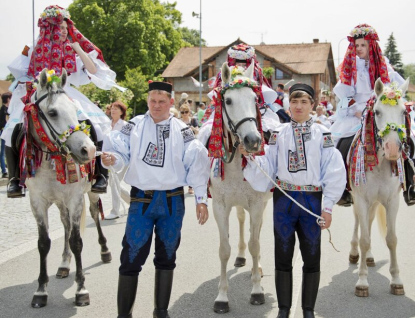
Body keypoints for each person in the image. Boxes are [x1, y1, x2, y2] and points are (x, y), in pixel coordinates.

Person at [102, 81, 210, 318]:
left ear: (171, 102)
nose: (157, 105)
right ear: (147, 100)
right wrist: (112, 160)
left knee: (167, 257)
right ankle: (124, 315)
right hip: (141, 200)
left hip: (173, 202)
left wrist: (201, 199)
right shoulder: (134, 126)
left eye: (162, 101)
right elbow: (120, 153)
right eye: (153, 100)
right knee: (130, 257)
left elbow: (197, 165)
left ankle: (161, 312)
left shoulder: (182, 130)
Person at [240, 83, 346, 318]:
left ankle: (308, 309)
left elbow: (334, 171)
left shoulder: (323, 134)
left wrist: (327, 207)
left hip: (311, 201)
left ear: (312, 106)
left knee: (311, 255)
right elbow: (268, 165)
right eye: (294, 101)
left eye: (304, 102)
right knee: (283, 254)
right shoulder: (278, 134)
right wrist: (251, 158)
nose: (298, 106)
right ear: (288, 105)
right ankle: (284, 309)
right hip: (284, 201)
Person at [2, 5, 124, 198]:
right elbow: (20, 72)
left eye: (67, 29)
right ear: (49, 28)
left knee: (98, 128)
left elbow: (92, 70)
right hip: (39, 93)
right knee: (11, 132)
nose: (66, 32)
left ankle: (100, 176)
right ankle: (15, 180)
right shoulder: (33, 49)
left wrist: (77, 47)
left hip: (65, 92)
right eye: (62, 28)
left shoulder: (70, 50)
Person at [331, 23, 405, 206]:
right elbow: (344, 96)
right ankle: (343, 189)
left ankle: (410, 184)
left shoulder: (384, 65)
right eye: (356, 46)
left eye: (363, 45)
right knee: (338, 143)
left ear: (371, 45)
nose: (359, 49)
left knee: (408, 137)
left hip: (383, 110)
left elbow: (395, 89)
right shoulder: (349, 67)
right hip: (357, 114)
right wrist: (354, 109)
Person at [105, 101, 128, 220]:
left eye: (116, 109)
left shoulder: (124, 125)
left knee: (114, 182)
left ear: (122, 112)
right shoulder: (107, 124)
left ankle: (115, 211)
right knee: (113, 183)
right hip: (109, 158)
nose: (113, 110)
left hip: (122, 158)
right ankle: (133, 202)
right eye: (112, 108)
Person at [179, 103, 199, 195]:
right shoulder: (178, 121)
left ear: (189, 112)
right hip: (181, 145)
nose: (184, 114)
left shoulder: (193, 120)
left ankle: (191, 187)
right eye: (182, 112)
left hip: (191, 145)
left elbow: (198, 131)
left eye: (186, 112)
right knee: (181, 166)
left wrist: (192, 128)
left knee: (191, 166)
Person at [0, 92, 11, 178]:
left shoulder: (5, 109)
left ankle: (5, 169)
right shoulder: (4, 110)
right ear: (8, 99)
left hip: (6, 132)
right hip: (5, 132)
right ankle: (4, 171)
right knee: (4, 152)